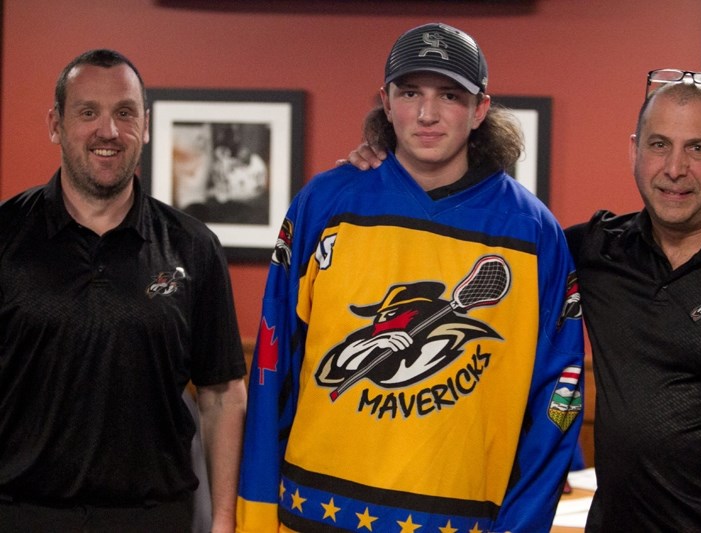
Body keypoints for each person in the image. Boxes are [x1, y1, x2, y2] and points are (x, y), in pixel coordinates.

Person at [348, 69, 701, 531]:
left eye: (697, 149)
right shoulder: (595, 250)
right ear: (634, 151)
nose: (674, 168)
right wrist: (395, 169)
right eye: (659, 144)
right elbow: (479, 249)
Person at [237, 22, 584, 532]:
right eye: (409, 92)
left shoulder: (533, 232)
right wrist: (257, 513)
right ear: (386, 100)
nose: (426, 114)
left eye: (449, 94)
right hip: (313, 512)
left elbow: (559, 395)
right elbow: (273, 363)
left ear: (480, 108)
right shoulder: (327, 201)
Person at [0, 49, 248, 532]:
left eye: (124, 113)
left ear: (145, 125)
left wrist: (222, 521)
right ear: (56, 124)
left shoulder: (193, 246)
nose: (108, 131)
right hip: (19, 514)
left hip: (154, 517)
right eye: (88, 112)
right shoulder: (6, 235)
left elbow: (222, 394)